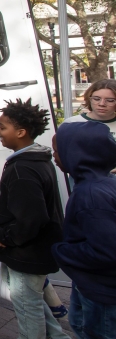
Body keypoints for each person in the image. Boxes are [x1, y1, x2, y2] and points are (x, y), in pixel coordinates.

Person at [0, 98, 68, 339]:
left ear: (21, 132)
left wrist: (4, 237)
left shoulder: (23, 169)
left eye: (3, 126)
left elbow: (32, 218)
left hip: (26, 255)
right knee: (35, 303)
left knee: (28, 308)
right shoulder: (35, 161)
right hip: (32, 253)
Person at [52, 121, 116, 339]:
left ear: (76, 154)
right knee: (80, 326)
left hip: (104, 292)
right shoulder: (105, 182)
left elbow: (107, 252)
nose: (53, 156)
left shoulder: (90, 195)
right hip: (95, 285)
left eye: (57, 151)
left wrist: (61, 250)